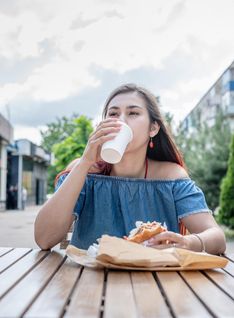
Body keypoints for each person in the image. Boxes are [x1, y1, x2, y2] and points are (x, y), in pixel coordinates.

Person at [34, 84, 226, 254]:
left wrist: (187, 242)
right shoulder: (84, 172)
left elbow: (217, 238)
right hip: (88, 283)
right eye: (113, 114)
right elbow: (44, 239)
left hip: (156, 284)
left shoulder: (171, 177)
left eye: (133, 113)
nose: (121, 121)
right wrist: (84, 162)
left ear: (153, 128)